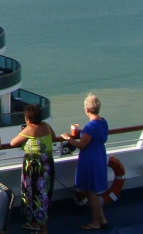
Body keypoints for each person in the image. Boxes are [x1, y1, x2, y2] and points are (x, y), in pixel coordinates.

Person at [61, 93, 109, 230]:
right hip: (99, 155)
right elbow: (93, 137)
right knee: (93, 191)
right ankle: (102, 218)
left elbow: (81, 145)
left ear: (86, 110)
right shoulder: (103, 122)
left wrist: (68, 138)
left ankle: (95, 223)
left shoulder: (90, 127)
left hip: (90, 160)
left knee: (91, 192)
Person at [10, 103, 56, 233]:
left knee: (33, 195)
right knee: (44, 195)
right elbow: (53, 137)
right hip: (47, 165)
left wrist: (24, 132)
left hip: (35, 169)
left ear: (28, 119)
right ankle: (38, 224)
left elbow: (13, 142)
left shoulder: (30, 129)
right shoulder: (46, 126)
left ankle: (40, 227)